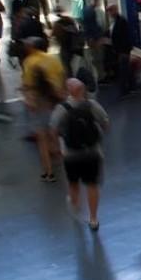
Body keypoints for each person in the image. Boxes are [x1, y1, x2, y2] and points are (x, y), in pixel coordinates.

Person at [52, 78, 109, 230]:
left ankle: (76, 208)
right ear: (83, 90)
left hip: (71, 154)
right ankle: (93, 218)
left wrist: (57, 147)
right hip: (92, 152)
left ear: (68, 91)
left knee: (73, 184)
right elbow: (105, 123)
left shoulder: (62, 108)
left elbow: (54, 128)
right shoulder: (92, 105)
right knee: (92, 185)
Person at [21, 36, 65, 182]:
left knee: (42, 139)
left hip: (40, 103)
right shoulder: (54, 59)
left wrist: (29, 101)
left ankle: (48, 172)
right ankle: (59, 157)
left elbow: (28, 86)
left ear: (33, 47)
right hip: (56, 100)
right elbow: (62, 76)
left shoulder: (29, 62)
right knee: (55, 131)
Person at [107, 5, 134, 96]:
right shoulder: (117, 21)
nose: (109, 13)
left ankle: (125, 89)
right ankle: (129, 87)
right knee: (125, 69)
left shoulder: (121, 22)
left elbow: (123, 37)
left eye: (111, 11)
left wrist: (122, 50)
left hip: (123, 50)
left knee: (123, 70)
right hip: (121, 50)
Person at [80, 0, 105, 83]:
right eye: (99, 1)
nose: (99, 3)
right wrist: (97, 38)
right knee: (97, 58)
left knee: (95, 58)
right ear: (95, 0)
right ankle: (100, 77)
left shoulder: (87, 10)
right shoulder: (91, 11)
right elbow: (92, 27)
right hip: (94, 39)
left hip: (91, 38)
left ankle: (99, 76)